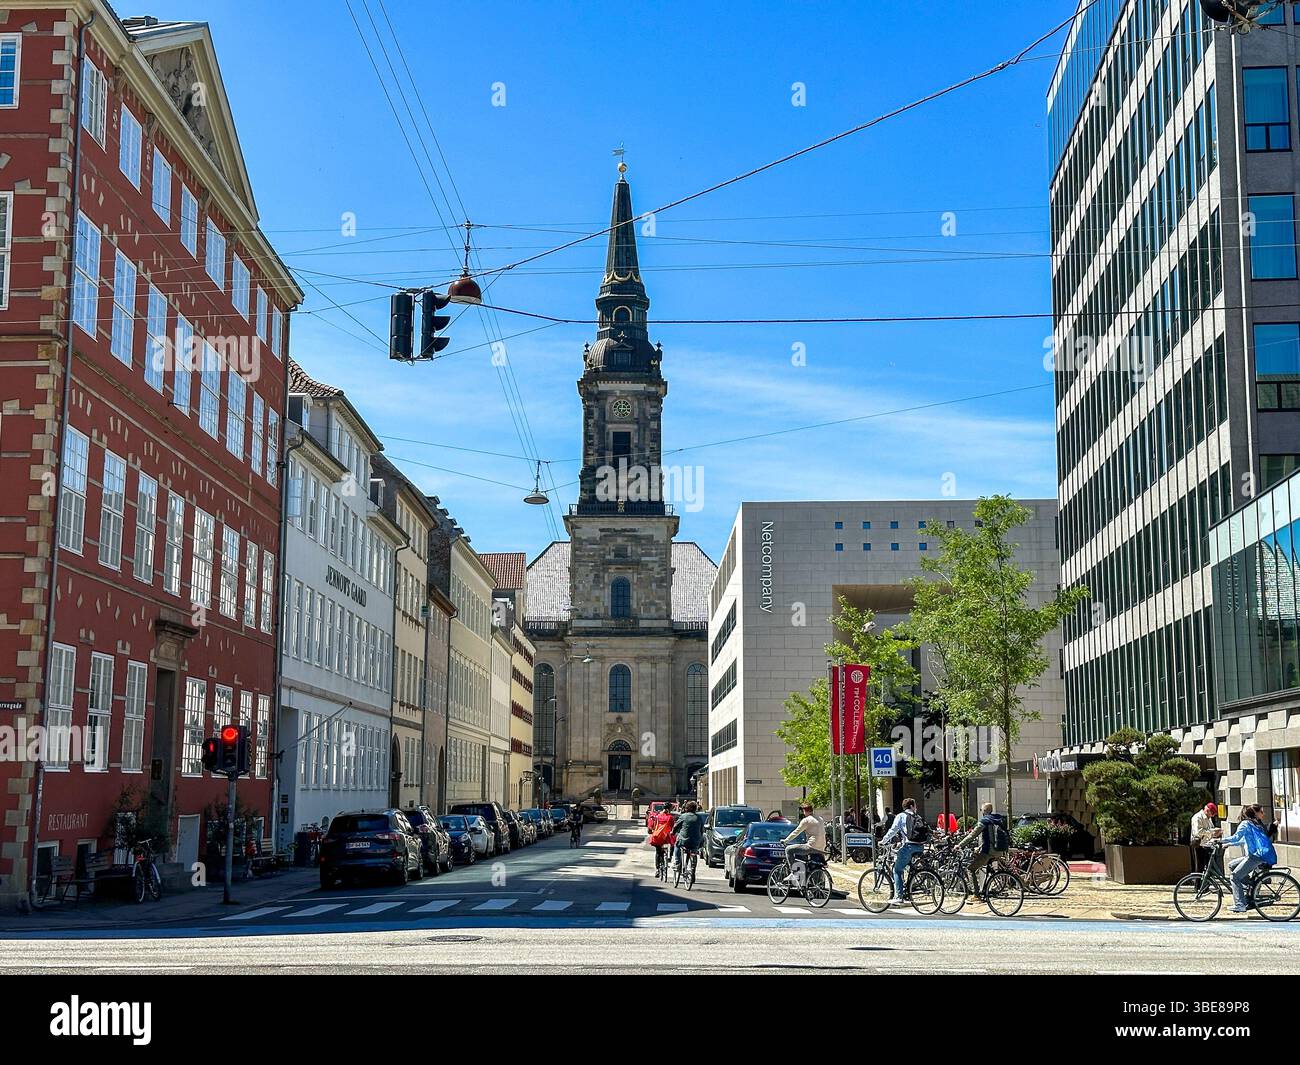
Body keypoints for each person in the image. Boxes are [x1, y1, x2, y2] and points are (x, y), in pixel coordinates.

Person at [1218, 804, 1278, 913]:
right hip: (1256, 855)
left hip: (1254, 856)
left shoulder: (1245, 824)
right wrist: (1229, 844)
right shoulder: (1253, 824)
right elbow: (1243, 840)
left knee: (1234, 877)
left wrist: (1220, 840)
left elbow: (1236, 837)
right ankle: (1250, 883)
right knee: (1232, 865)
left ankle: (1240, 904)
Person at [879, 798, 925, 905]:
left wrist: (883, 841)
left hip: (909, 846)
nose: (916, 807)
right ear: (911, 806)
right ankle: (909, 889)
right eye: (915, 805)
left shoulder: (900, 816)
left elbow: (893, 830)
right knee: (906, 864)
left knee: (897, 870)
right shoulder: (917, 817)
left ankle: (898, 896)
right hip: (920, 846)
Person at [956, 802, 1006, 895]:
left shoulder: (984, 821)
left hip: (989, 851)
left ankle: (976, 895)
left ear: (983, 811)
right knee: (983, 865)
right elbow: (991, 838)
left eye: (981, 810)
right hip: (999, 850)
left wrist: (959, 845)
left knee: (970, 869)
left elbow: (972, 835)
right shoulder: (998, 819)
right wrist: (979, 847)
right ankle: (987, 889)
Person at [780, 802, 826, 886]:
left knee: (789, 850)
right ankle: (808, 881)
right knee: (807, 860)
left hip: (811, 846)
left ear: (805, 811)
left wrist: (786, 840)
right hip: (821, 847)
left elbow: (796, 832)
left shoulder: (806, 820)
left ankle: (794, 874)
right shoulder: (820, 819)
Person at [674, 801, 704, 875]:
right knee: (693, 852)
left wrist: (673, 832)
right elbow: (701, 829)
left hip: (684, 840)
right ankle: (693, 870)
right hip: (696, 841)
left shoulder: (683, 816)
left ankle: (677, 863)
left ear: (686, 808)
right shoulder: (699, 817)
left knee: (677, 845)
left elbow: (676, 826)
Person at [1190, 801, 1221, 872]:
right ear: (1207, 810)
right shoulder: (1197, 817)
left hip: (1206, 844)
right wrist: (1212, 831)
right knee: (1199, 867)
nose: (1213, 816)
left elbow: (1210, 828)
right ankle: (1198, 883)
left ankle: (1206, 882)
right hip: (1198, 845)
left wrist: (1215, 832)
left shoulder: (1208, 818)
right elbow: (1198, 832)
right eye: (1212, 813)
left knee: (1208, 866)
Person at [648, 802, 677, 875]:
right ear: (669, 809)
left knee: (658, 852)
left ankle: (657, 869)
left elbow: (652, 826)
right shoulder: (670, 817)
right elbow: (673, 827)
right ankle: (669, 858)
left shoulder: (658, 816)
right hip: (666, 837)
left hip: (657, 836)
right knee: (672, 845)